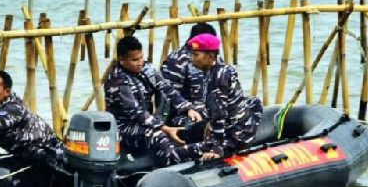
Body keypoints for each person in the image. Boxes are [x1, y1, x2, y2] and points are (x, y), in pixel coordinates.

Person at [105, 35, 205, 167]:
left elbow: (167, 89)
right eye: (135, 60)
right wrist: (164, 128)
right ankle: (176, 162)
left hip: (148, 121)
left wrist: (188, 108)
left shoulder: (147, 69)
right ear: (122, 60)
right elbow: (136, 112)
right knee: (157, 135)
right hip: (124, 128)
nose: (140, 62)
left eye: (141, 57)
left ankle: (197, 151)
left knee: (195, 122)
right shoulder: (117, 81)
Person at [188, 33, 263, 161]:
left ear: (210, 56)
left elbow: (219, 115)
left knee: (175, 154)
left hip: (232, 140)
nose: (192, 59)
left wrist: (217, 149)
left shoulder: (215, 79)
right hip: (244, 131)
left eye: (196, 55)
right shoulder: (224, 69)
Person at [161, 23, 221, 126]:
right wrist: (188, 108)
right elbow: (168, 96)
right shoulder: (177, 61)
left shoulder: (213, 56)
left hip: (213, 109)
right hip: (187, 114)